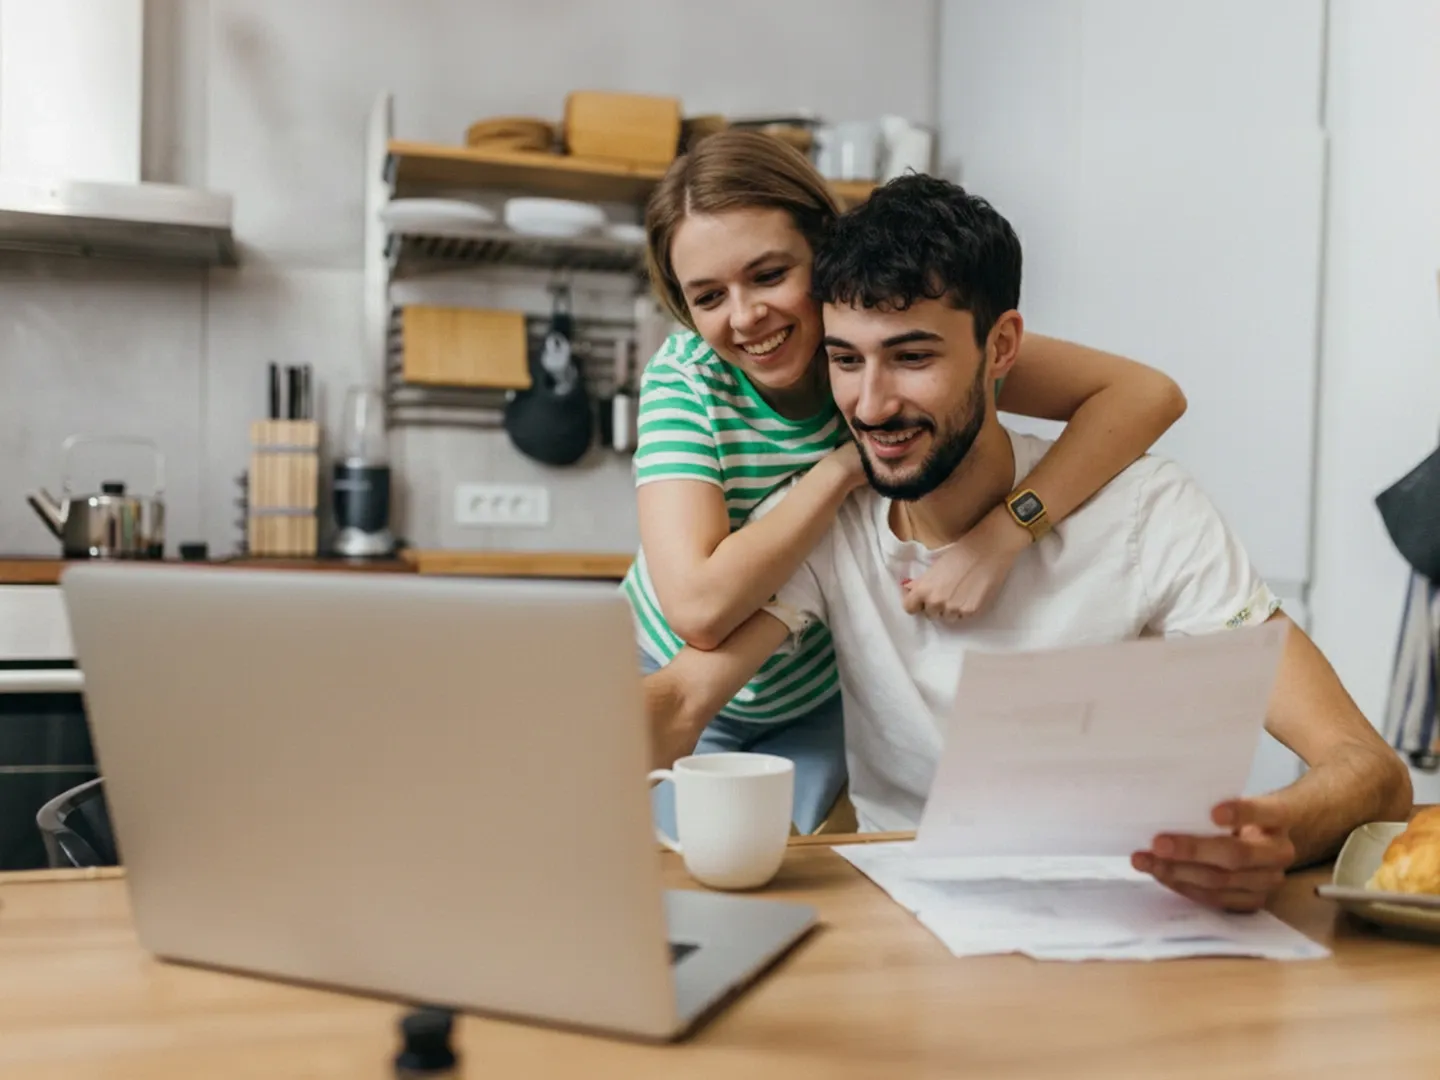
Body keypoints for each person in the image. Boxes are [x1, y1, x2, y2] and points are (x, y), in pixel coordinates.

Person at [643, 173, 1413, 910]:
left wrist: (1276, 829)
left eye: (912, 357)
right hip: (900, 933)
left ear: (1002, 348)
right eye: (845, 360)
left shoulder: (1148, 511)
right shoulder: (824, 522)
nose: (872, 405)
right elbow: (680, 699)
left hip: (1121, 917)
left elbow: (1371, 770)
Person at [625, 131, 1188, 835]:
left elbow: (1145, 394)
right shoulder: (689, 380)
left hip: (815, 689)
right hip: (680, 667)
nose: (745, 316)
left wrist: (1008, 532)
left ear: (824, 257)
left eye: (769, 276)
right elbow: (699, 611)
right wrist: (839, 469)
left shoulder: (890, 334)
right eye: (708, 296)